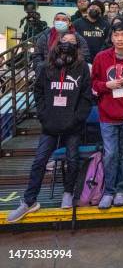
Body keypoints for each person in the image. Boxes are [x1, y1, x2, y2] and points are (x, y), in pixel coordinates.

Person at [7, 33, 92, 223]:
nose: (67, 45)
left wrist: (77, 119)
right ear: (56, 44)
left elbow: (87, 97)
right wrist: (43, 116)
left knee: (72, 159)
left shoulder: (82, 67)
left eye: (72, 42)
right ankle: (29, 201)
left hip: (73, 125)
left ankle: (68, 193)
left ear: (77, 46)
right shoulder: (46, 67)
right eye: (64, 41)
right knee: (39, 161)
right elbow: (38, 92)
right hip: (50, 124)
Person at [91, 21, 123, 209]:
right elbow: (93, 84)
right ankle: (108, 191)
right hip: (107, 114)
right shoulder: (101, 57)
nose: (120, 39)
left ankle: (121, 190)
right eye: (116, 35)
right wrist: (107, 86)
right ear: (111, 38)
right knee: (110, 154)